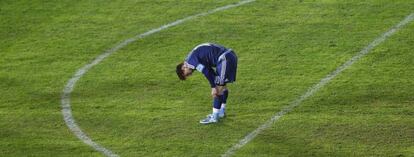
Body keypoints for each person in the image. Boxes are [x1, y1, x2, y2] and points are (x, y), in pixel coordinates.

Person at [176, 43, 238, 124]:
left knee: (218, 89)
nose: (190, 75)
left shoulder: (191, 62)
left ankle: (215, 117)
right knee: (222, 86)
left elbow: (207, 72)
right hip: (229, 56)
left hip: (225, 59)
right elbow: (210, 70)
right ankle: (221, 112)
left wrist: (213, 87)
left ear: (183, 67)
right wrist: (215, 83)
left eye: (187, 74)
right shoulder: (191, 58)